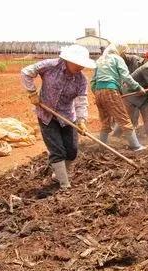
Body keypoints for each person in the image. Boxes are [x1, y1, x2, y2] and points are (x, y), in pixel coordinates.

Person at [20, 44, 96, 190]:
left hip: (67, 116)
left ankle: (59, 174)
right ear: (68, 60)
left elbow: (81, 101)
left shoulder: (81, 80)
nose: (81, 67)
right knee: (57, 151)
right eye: (78, 63)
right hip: (46, 115)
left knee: (72, 151)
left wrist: (81, 120)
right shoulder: (50, 65)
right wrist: (31, 92)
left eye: (83, 65)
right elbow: (26, 72)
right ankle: (64, 184)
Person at [91, 43, 147, 150]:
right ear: (119, 51)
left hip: (98, 92)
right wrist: (138, 87)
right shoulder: (117, 59)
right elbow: (126, 77)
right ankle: (136, 146)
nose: (124, 54)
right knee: (124, 119)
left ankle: (102, 146)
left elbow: (93, 81)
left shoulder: (100, 60)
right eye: (123, 52)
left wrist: (99, 93)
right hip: (111, 90)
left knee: (105, 121)